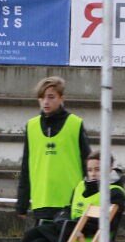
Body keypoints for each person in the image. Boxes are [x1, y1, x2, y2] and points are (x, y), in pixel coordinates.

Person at [16, 76, 91, 225]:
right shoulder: (32, 126)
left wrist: (88, 197)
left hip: (70, 201)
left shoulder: (75, 124)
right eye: (42, 97)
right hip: (42, 201)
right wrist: (22, 204)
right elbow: (26, 167)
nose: (45, 102)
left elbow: (87, 163)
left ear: (61, 98)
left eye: (51, 97)